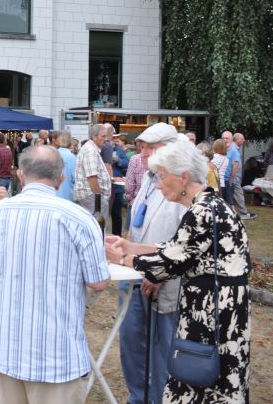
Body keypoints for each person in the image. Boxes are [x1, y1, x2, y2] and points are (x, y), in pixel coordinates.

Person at [105, 138, 251, 403]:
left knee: (199, 380)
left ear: (183, 177)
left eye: (162, 177)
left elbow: (167, 264)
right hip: (221, 311)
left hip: (212, 315)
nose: (158, 184)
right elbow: (178, 247)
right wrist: (133, 247)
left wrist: (122, 258)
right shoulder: (209, 205)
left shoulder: (202, 211)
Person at [0, 145, 109, 403]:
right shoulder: (79, 218)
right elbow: (98, 281)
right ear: (61, 178)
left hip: (7, 347)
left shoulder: (0, 211)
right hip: (56, 355)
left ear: (20, 175)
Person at [116, 123, 185, 404]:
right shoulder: (148, 177)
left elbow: (181, 243)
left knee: (161, 347)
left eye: (151, 148)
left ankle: (159, 398)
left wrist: (159, 273)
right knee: (131, 340)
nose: (143, 153)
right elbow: (138, 223)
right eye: (142, 147)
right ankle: (139, 396)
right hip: (135, 273)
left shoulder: (180, 184)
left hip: (163, 280)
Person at [74, 124, 112, 227]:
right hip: (91, 195)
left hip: (90, 195)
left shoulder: (91, 149)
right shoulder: (91, 151)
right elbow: (92, 177)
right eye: (103, 136)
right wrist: (99, 199)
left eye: (106, 136)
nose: (106, 139)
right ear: (93, 136)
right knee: (98, 227)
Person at [230, 133, 254, 219]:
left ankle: (236, 212)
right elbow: (234, 165)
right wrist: (234, 177)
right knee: (239, 194)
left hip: (234, 178)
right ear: (238, 140)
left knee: (232, 195)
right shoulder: (233, 149)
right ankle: (243, 213)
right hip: (234, 178)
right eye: (242, 139)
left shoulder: (234, 148)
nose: (244, 140)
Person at [110, 134, 130, 236]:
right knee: (103, 214)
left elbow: (127, 162)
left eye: (116, 138)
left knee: (117, 214)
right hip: (105, 187)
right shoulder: (100, 149)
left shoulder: (118, 149)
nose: (115, 140)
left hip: (117, 187)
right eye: (113, 138)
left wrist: (118, 161)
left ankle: (117, 236)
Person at [50, 130, 75, 201]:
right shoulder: (71, 156)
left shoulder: (52, 154)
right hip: (66, 194)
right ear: (70, 141)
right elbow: (75, 177)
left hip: (52, 193)